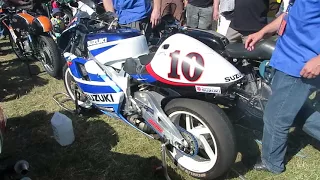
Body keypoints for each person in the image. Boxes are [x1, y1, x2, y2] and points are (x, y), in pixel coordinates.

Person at [245, 0, 320, 174]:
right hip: (285, 58)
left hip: (301, 66)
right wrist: (262, 32)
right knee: (296, 112)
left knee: (276, 117)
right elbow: (289, 16)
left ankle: (272, 163)